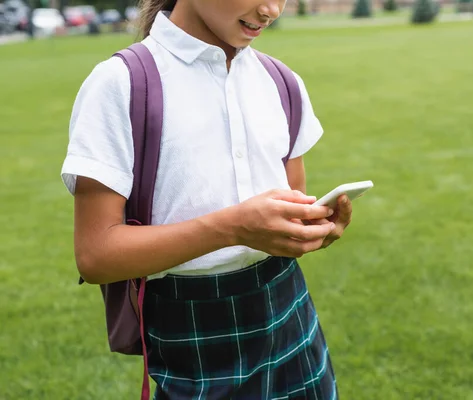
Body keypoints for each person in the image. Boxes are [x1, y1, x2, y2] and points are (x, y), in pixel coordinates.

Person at [60, 0, 353, 397]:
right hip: (191, 331)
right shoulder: (122, 83)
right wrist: (232, 228)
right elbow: (96, 255)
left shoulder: (281, 81)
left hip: (290, 312)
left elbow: (291, 205)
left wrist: (309, 227)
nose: (272, 10)